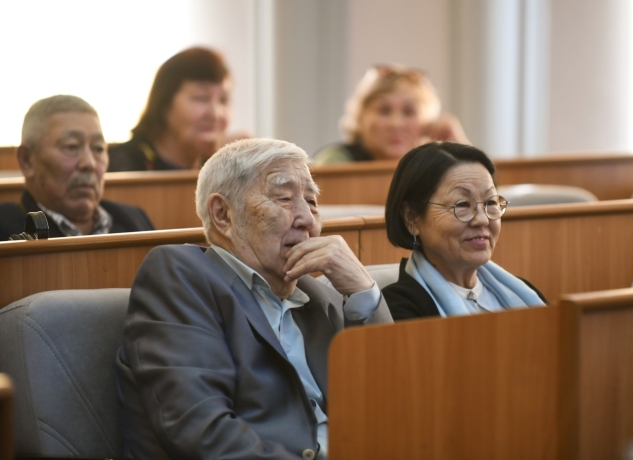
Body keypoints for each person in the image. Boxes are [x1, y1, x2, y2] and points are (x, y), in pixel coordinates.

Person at [115, 137, 393, 459]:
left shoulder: (321, 294)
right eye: (285, 198)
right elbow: (202, 430)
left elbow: (390, 404)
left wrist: (363, 291)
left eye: (313, 201)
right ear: (223, 214)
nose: (307, 219)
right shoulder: (182, 275)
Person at [382, 142, 546, 319]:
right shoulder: (398, 308)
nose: (482, 220)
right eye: (462, 205)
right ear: (411, 218)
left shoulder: (523, 294)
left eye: (490, 202)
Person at [0, 95, 154, 240]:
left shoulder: (134, 220)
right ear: (27, 160)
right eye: (71, 147)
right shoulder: (5, 230)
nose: (89, 163)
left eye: (98, 148)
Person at [108, 47, 248, 172]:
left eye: (223, 100)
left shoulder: (222, 166)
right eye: (202, 98)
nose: (215, 114)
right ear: (164, 104)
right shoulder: (121, 165)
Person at [313, 64, 469, 165]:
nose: (396, 123)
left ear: (427, 124)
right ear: (361, 117)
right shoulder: (335, 160)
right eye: (384, 110)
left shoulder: (430, 166)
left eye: (409, 112)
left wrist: (456, 147)